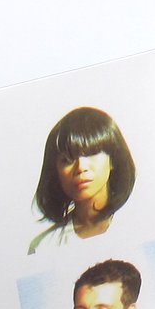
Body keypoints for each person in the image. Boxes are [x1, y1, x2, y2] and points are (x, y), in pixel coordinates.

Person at [28, 107, 137, 254]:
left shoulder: (138, 222)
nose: (81, 167)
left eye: (91, 153)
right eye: (67, 160)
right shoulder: (42, 246)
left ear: (113, 160)